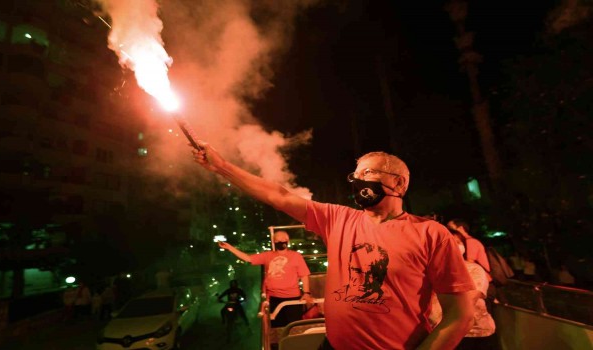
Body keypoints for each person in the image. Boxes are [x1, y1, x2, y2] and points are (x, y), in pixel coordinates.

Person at [193, 143, 475, 349]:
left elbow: (459, 314)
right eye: (355, 175)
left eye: (367, 172)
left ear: (398, 183)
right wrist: (222, 167)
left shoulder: (431, 234)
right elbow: (278, 195)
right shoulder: (337, 218)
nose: (358, 181)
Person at [218, 231, 313, 327]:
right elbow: (248, 258)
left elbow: (304, 275)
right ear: (274, 241)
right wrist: (229, 247)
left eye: (284, 239)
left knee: (294, 326)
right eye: (278, 240)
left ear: (288, 241)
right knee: (277, 326)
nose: (281, 241)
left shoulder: (296, 256)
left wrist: (306, 293)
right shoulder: (267, 256)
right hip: (273, 298)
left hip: (293, 298)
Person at [429, 230, 497, 350]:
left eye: (458, 242)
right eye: (449, 241)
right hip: (438, 332)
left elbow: (465, 306)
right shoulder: (430, 270)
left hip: (473, 334)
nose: (455, 245)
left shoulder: (474, 269)